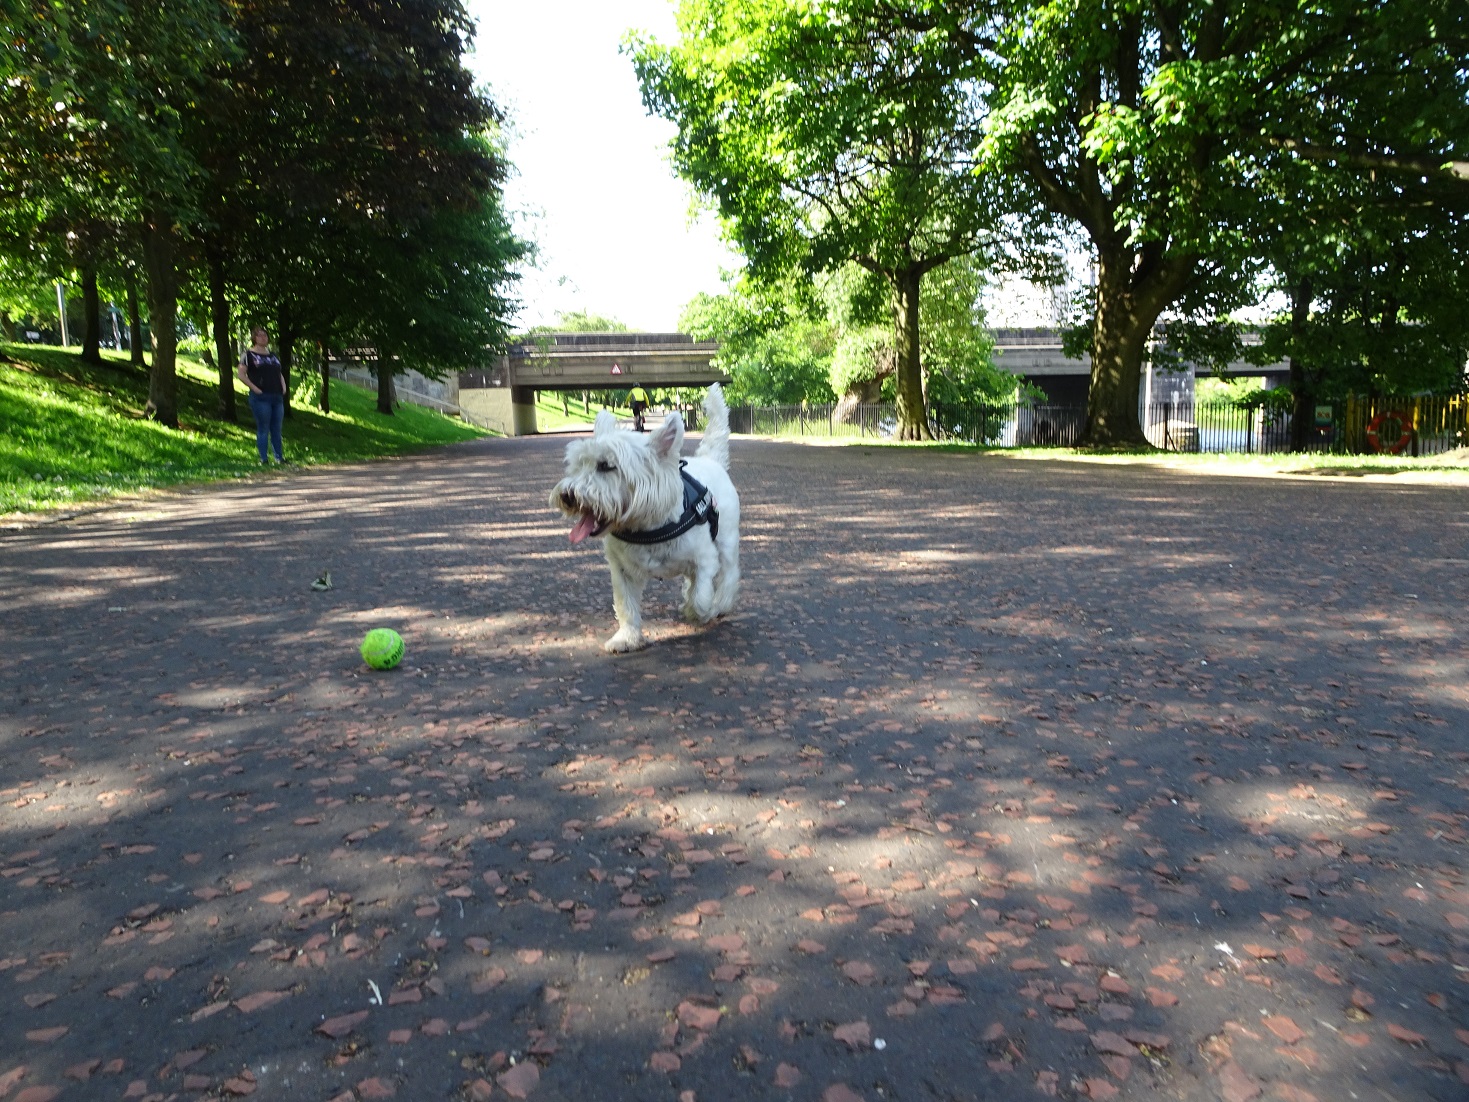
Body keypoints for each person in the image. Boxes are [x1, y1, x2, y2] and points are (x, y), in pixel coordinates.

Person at [238, 326, 286, 464]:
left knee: (277, 428)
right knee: (263, 427)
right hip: (261, 397)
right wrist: (255, 388)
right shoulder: (248, 355)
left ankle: (279, 457)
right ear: (254, 338)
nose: (263, 337)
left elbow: (279, 373)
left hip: (277, 396)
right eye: (259, 335)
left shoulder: (273, 356)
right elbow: (241, 374)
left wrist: (283, 387)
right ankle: (264, 459)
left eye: (265, 335)